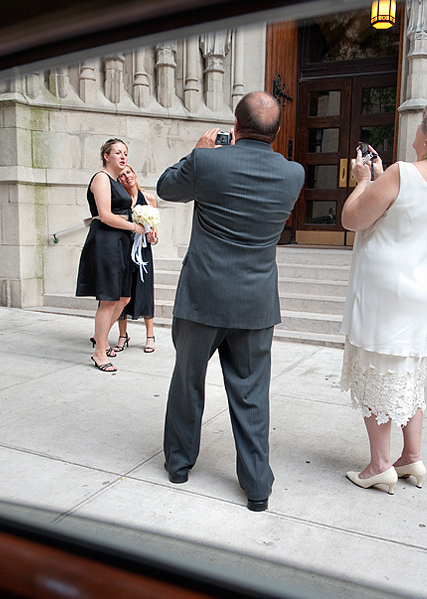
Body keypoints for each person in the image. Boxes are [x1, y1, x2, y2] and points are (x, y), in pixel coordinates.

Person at [157, 91, 305, 512]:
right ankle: (257, 488)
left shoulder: (208, 162)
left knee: (187, 383)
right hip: (255, 302)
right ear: (276, 133)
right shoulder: (293, 174)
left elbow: (167, 188)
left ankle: (180, 466)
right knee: (252, 393)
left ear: (235, 126)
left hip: (203, 296)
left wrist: (197, 151)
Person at [339, 94, 427, 494]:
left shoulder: (402, 172)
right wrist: (382, 180)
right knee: (410, 373)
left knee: (379, 369)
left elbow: (353, 218)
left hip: (391, 286)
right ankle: (411, 457)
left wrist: (365, 180)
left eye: (421, 124)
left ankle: (379, 464)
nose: (416, 130)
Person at [75, 138, 148, 372]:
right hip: (106, 242)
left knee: (124, 297)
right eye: (117, 152)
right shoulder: (101, 178)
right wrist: (134, 227)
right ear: (106, 156)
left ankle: (103, 340)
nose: (123, 156)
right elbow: (105, 215)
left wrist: (144, 223)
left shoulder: (117, 181)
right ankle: (99, 352)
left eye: (125, 152)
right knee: (109, 299)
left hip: (121, 243)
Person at [114, 165, 159, 353]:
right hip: (122, 251)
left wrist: (153, 238)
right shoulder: (118, 201)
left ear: (134, 175)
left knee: (145, 290)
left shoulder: (149, 199)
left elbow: (155, 230)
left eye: (128, 172)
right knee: (121, 293)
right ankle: (123, 335)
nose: (126, 177)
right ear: (119, 180)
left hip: (143, 252)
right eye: (122, 175)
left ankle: (150, 335)